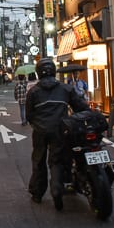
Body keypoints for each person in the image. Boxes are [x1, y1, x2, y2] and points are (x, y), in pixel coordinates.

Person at [26, 57, 88, 209]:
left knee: (38, 160)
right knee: (57, 160)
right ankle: (57, 188)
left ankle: (37, 193)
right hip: (60, 129)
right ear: (53, 71)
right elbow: (81, 106)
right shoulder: (65, 89)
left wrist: (36, 123)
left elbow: (29, 115)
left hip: (40, 130)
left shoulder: (33, 91)